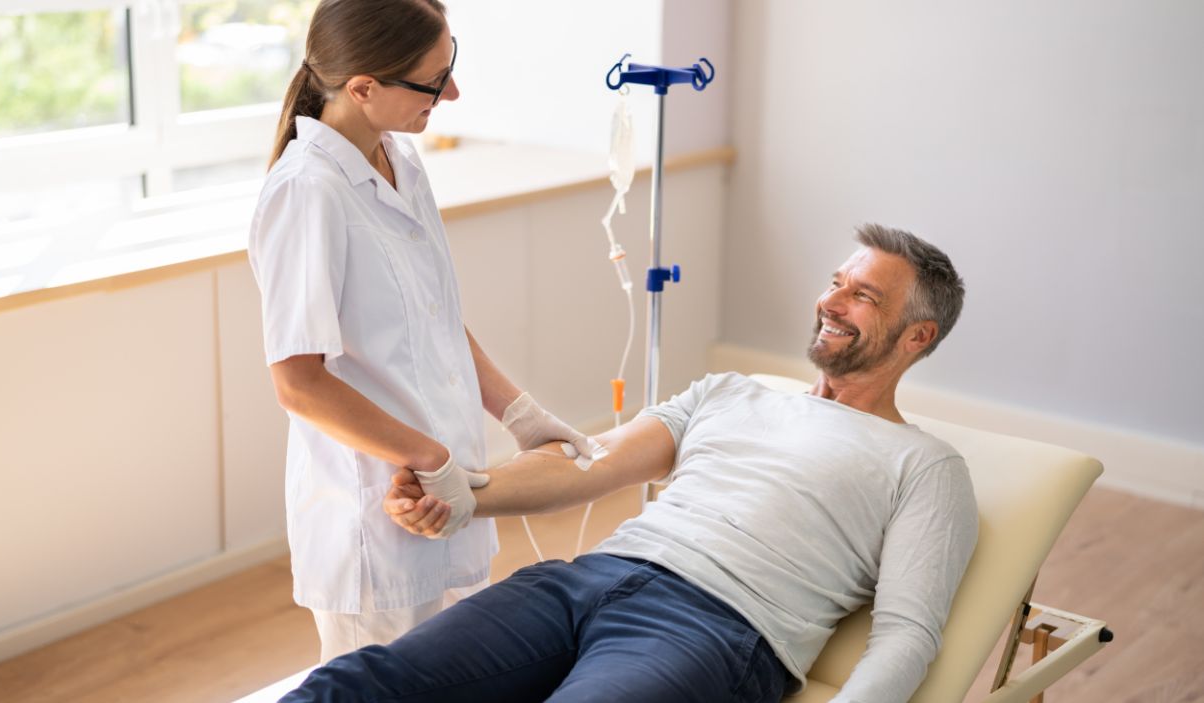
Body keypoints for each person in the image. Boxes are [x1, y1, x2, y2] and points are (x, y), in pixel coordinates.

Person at [281, 224, 979, 703]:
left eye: (864, 296)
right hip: (582, 583)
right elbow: (592, 463)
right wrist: (464, 491)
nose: (831, 302)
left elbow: (908, 632)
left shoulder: (925, 464)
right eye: (836, 282)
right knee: (357, 683)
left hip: (716, 628)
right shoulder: (730, 391)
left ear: (917, 335)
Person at [247, 0, 601, 664]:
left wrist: (519, 412)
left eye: (451, 66)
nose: (454, 92)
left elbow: (433, 315)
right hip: (378, 520)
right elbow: (298, 382)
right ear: (363, 88)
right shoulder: (308, 191)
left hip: (448, 496)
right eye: (434, 80)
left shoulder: (403, 163)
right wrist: (428, 457)